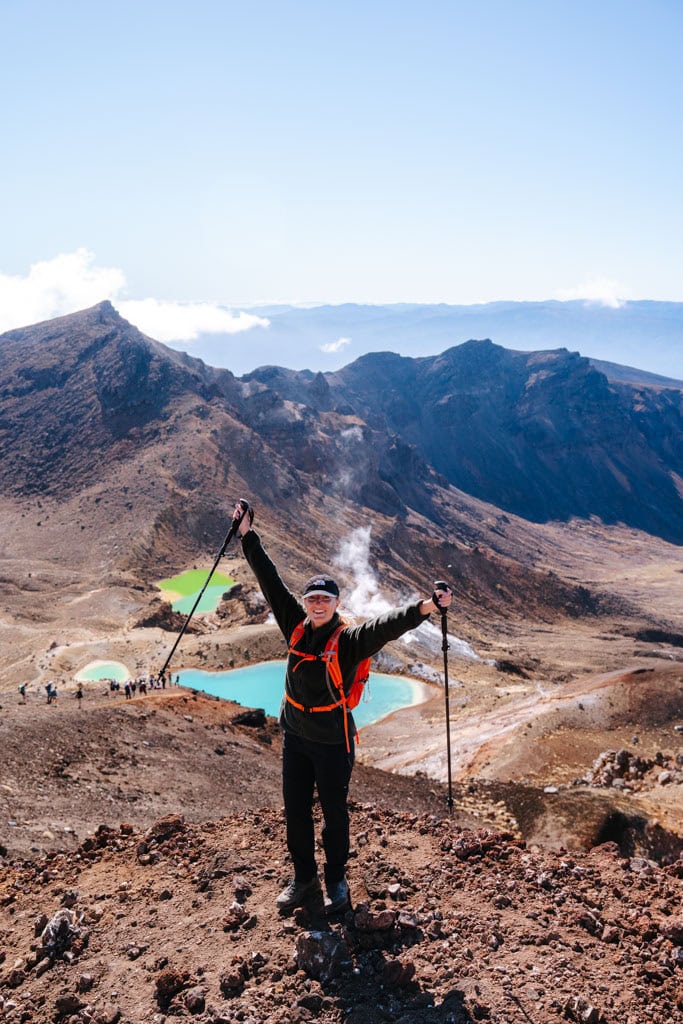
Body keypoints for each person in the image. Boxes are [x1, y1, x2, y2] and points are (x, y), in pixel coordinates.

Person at [233, 501, 452, 915]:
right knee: (295, 812)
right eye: (312, 598)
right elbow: (270, 581)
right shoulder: (294, 625)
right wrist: (247, 534)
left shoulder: (349, 642)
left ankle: (336, 880)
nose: (317, 605)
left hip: (333, 741)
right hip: (295, 736)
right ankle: (303, 880)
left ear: (335, 605)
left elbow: (386, 626)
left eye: (325, 599)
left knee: (334, 815)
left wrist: (426, 607)